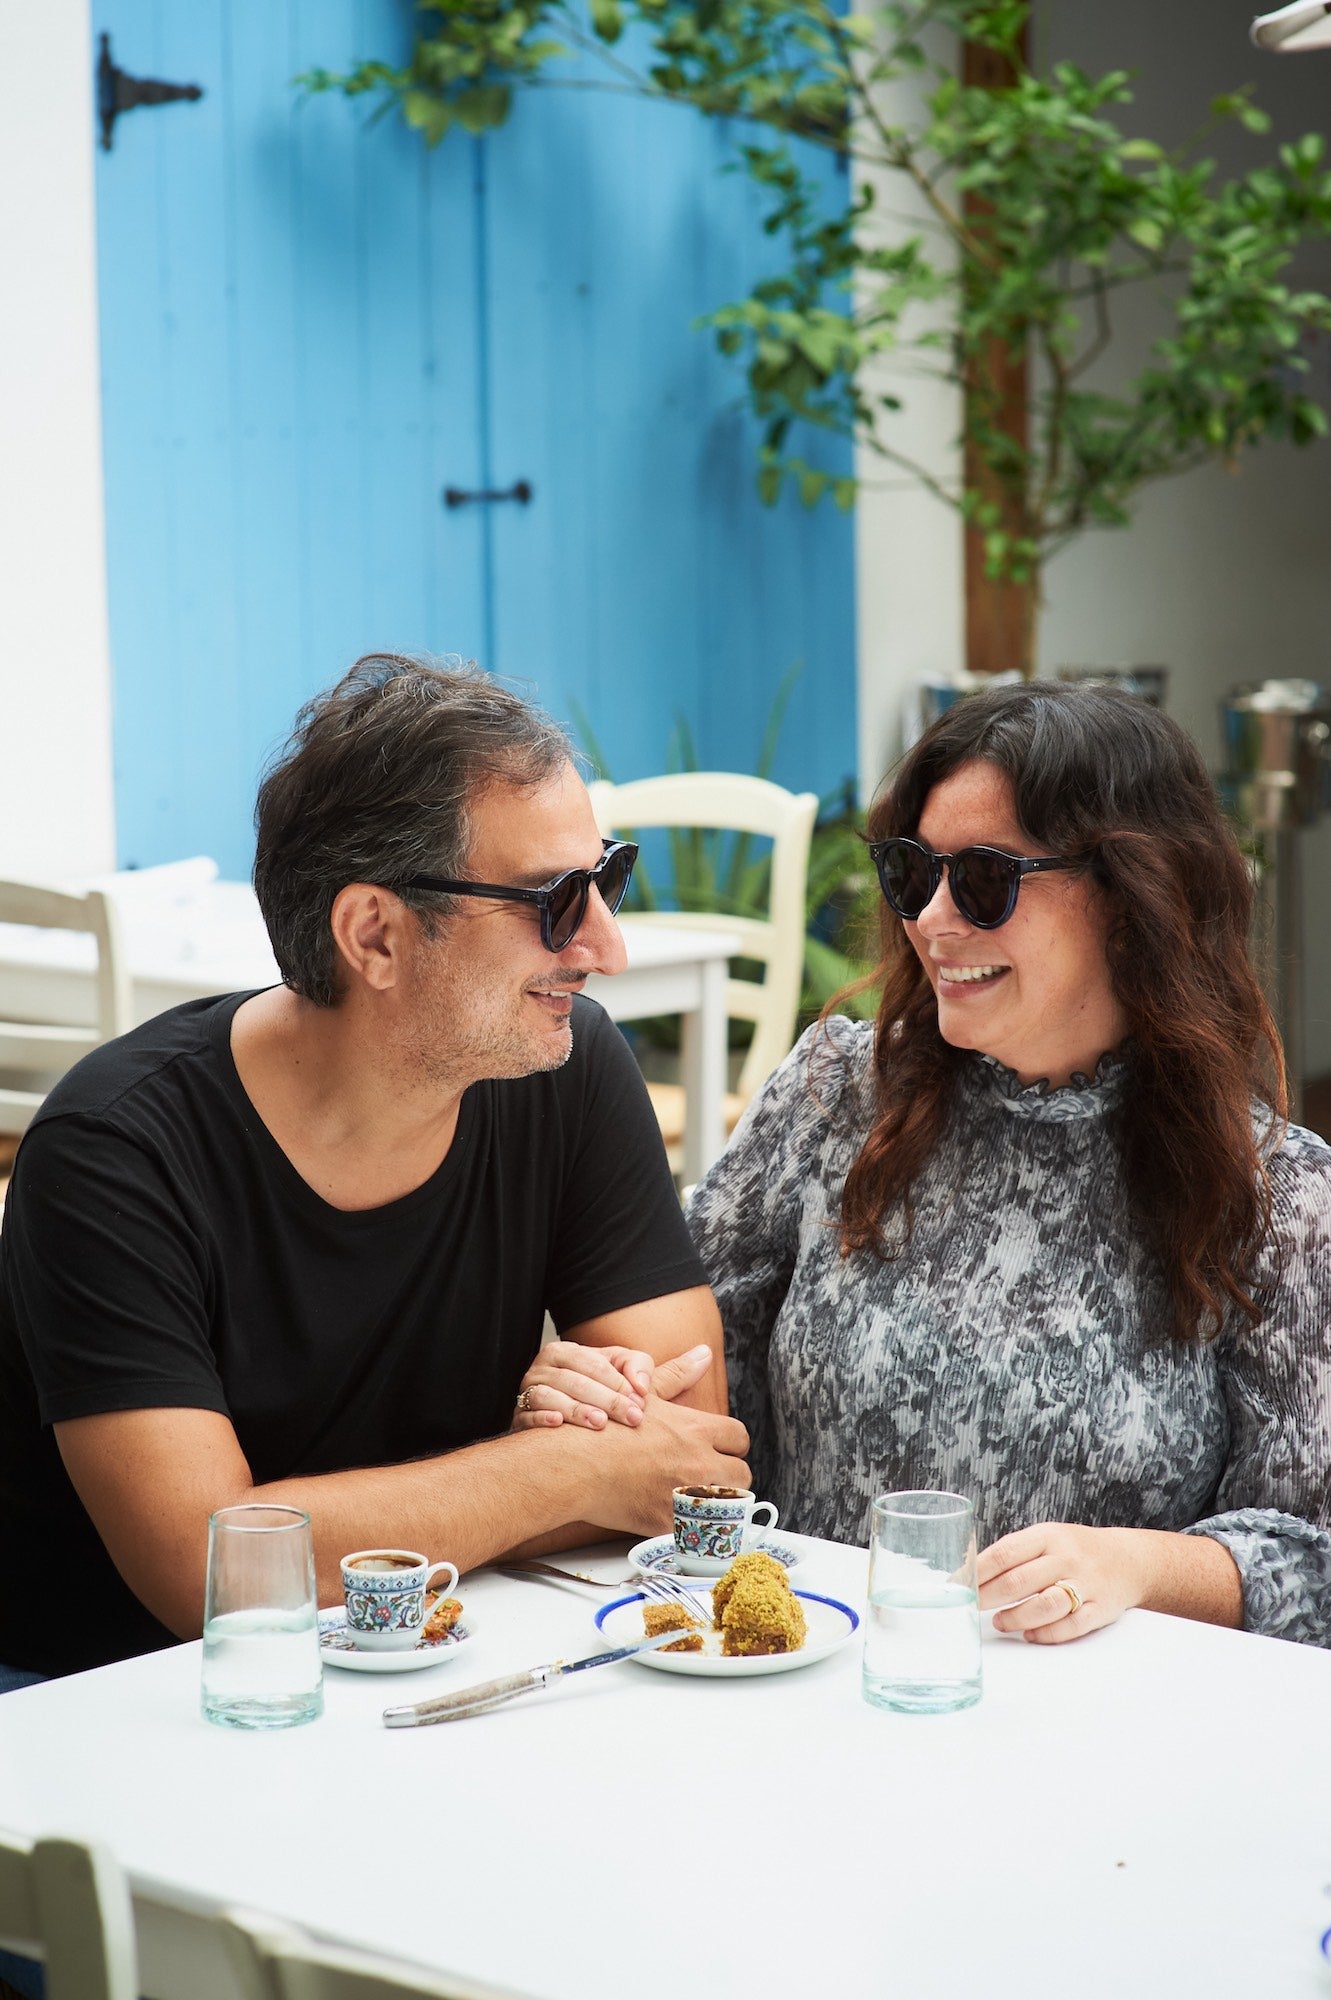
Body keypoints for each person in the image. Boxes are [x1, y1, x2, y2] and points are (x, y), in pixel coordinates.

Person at [0, 654, 749, 1686]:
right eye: (556, 898)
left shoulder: (566, 1068)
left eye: (606, 878)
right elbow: (214, 1573)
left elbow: (686, 1445)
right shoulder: (117, 1151)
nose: (605, 946)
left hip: (429, 1660)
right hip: (122, 1707)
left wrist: (573, 1440)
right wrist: (561, 1464)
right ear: (375, 933)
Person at [676, 682, 1331, 1646]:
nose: (933, 918)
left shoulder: (1278, 1194)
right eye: (911, 873)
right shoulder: (829, 1099)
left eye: (984, 878)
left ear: (1132, 896)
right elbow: (693, 1391)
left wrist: (1137, 1564)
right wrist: (596, 1388)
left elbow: (1312, 1560)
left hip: (1100, 1745)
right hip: (817, 1703)